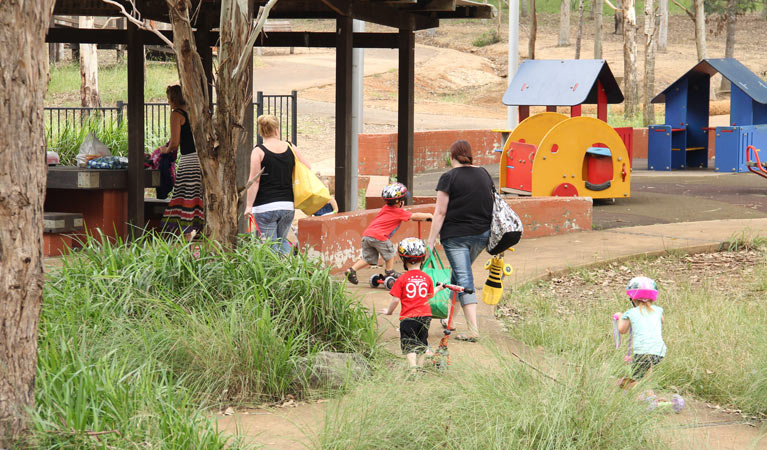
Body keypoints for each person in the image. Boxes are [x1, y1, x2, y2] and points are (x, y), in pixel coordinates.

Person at [427, 140, 493, 342]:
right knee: (458, 274)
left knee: (464, 279)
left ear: (451, 156)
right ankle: (450, 321)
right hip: (482, 235)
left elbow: (440, 212)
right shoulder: (484, 173)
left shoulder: (448, 177)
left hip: (456, 237)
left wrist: (430, 241)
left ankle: (473, 330)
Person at [245, 114, 310, 255]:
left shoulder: (258, 151)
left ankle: (276, 274)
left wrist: (249, 205)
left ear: (260, 131)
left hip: (264, 207)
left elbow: (255, 180)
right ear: (276, 129)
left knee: (269, 247)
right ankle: (291, 270)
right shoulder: (291, 147)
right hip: (287, 206)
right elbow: (307, 169)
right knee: (281, 241)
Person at [344, 182, 433, 284]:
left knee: (368, 259)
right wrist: (429, 216)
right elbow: (414, 216)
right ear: (399, 202)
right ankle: (389, 272)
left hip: (367, 235)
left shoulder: (385, 208)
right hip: (379, 237)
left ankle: (351, 270)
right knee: (390, 252)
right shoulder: (398, 212)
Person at [380, 238, 444, 369]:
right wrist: (439, 288)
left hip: (408, 317)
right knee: (422, 342)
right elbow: (429, 295)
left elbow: (396, 299)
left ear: (403, 260)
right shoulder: (426, 278)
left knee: (409, 343)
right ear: (422, 259)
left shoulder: (402, 279)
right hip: (425, 316)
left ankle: (413, 369)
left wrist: (389, 311)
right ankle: (420, 367)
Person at [162, 84, 204, 240]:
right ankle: (199, 230)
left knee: (184, 194)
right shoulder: (194, 111)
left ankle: (186, 232)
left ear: (173, 98)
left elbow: (174, 143)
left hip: (188, 160)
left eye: (168, 98)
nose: (168, 102)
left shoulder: (176, 114)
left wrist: (164, 150)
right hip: (201, 158)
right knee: (197, 195)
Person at [615, 276, 667, 380]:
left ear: (632, 297)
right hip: (659, 352)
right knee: (647, 371)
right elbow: (662, 321)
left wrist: (620, 316)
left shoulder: (631, 313)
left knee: (636, 379)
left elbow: (622, 330)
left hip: (642, 352)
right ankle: (649, 393)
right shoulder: (658, 311)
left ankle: (645, 394)